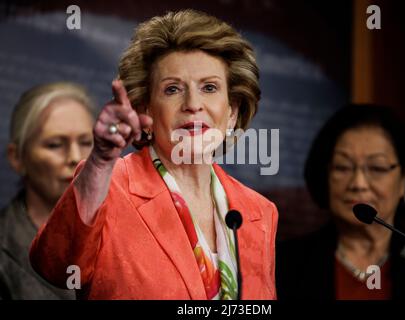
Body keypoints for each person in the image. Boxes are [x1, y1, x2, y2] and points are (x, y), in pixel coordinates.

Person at [29, 9, 278, 300]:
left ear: (232, 112)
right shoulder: (107, 186)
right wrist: (99, 162)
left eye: (209, 87)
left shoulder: (260, 212)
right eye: (173, 89)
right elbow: (57, 267)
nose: (193, 104)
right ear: (146, 108)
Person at [276, 104, 405, 299]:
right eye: (342, 167)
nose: (358, 184)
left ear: (404, 180)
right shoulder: (283, 264)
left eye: (377, 167)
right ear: (325, 175)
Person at [0, 82, 95, 299]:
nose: (75, 157)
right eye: (54, 144)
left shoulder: (127, 230)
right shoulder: (5, 249)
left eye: (86, 142)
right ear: (17, 157)